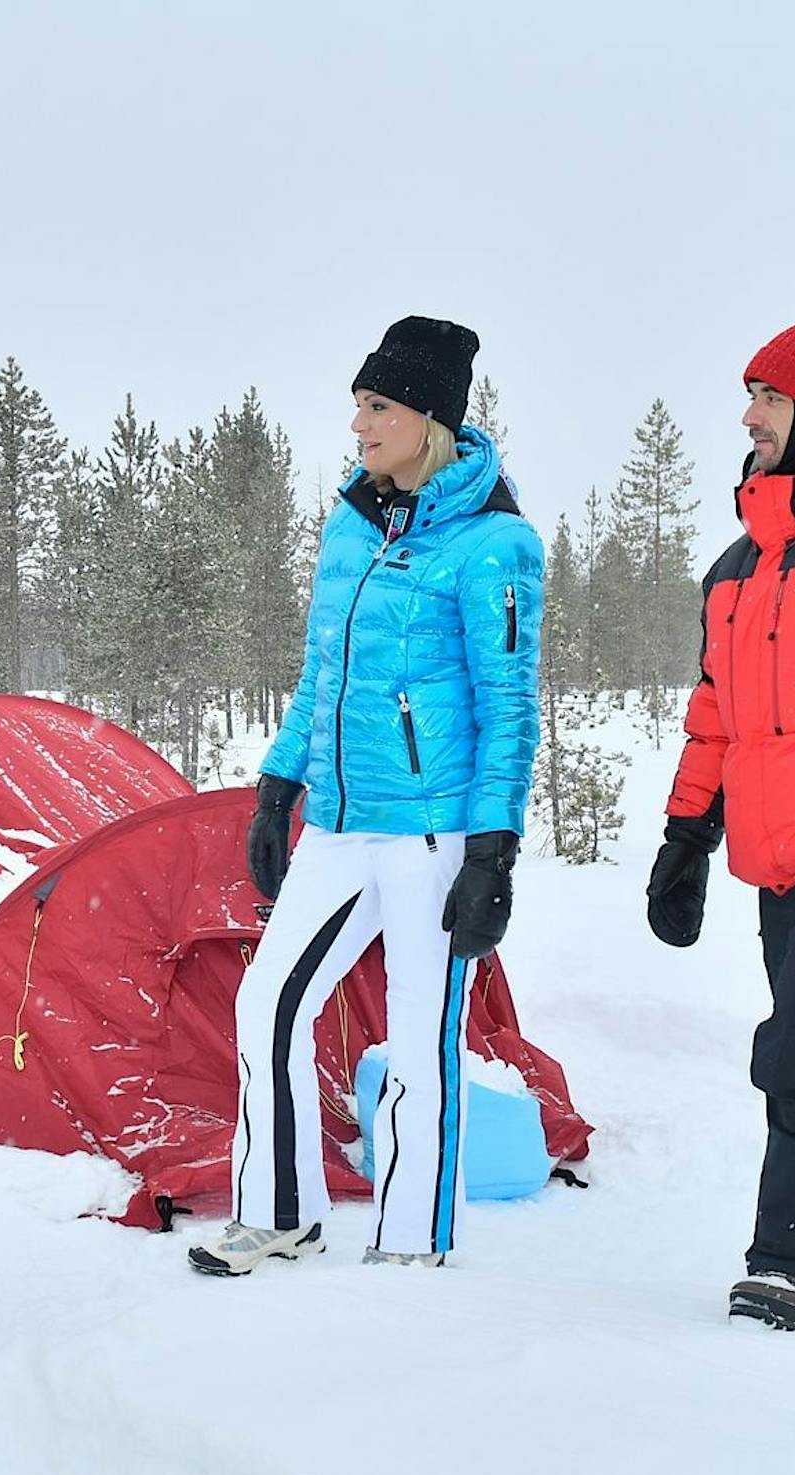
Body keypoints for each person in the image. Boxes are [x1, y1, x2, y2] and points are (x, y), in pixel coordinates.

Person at [189, 317, 542, 1277]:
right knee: (268, 1004)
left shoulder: (493, 544)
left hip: (434, 833)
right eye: (357, 404)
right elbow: (323, 674)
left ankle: (408, 1242)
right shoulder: (351, 525)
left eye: (377, 406)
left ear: (426, 418)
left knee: (419, 1038)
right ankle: (277, 1213)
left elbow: (509, 707)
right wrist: (278, 784)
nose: (358, 425)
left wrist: (494, 851)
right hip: (341, 823)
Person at [650, 316, 795, 1331]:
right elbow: (714, 711)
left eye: (770, 397)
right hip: (778, 850)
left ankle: (792, 1261)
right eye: (749, 395)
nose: (747, 417)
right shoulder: (738, 564)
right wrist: (683, 836)